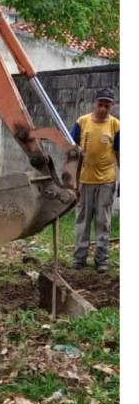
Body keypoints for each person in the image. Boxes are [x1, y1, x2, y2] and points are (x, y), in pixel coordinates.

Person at [70, 88, 120, 270]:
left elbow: (120, 153)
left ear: (112, 106)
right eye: (100, 104)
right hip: (84, 180)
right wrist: (72, 180)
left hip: (106, 181)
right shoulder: (82, 122)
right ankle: (79, 259)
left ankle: (102, 261)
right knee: (82, 221)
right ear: (95, 103)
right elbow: (72, 152)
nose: (103, 108)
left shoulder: (116, 125)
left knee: (103, 221)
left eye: (107, 105)